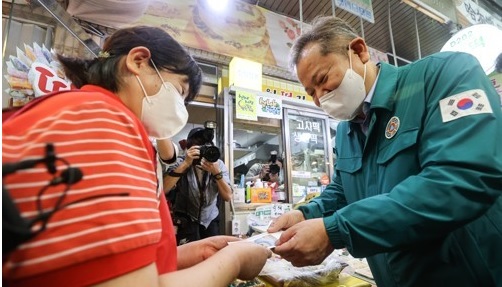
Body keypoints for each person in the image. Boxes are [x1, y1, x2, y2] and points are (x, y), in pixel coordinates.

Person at [2, 26, 271, 287]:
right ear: (138, 61)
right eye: (179, 91)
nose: (179, 109)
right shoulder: (106, 122)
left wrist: (194, 253)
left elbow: (105, 265)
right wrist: (234, 261)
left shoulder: (74, 110)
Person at [267, 16, 502, 287]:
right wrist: (306, 214)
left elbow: (463, 177)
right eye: (312, 93)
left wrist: (337, 231)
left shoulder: (445, 74)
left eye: (323, 80)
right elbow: (343, 190)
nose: (322, 98)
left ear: (358, 51)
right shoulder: (346, 131)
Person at [164, 127, 233, 245]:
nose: (202, 152)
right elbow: (164, 189)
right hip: (186, 219)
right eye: (198, 148)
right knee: (188, 257)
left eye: (205, 148)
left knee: (212, 254)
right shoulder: (181, 162)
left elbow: (227, 196)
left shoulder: (218, 164)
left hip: (210, 218)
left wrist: (216, 173)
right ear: (189, 148)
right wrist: (186, 163)